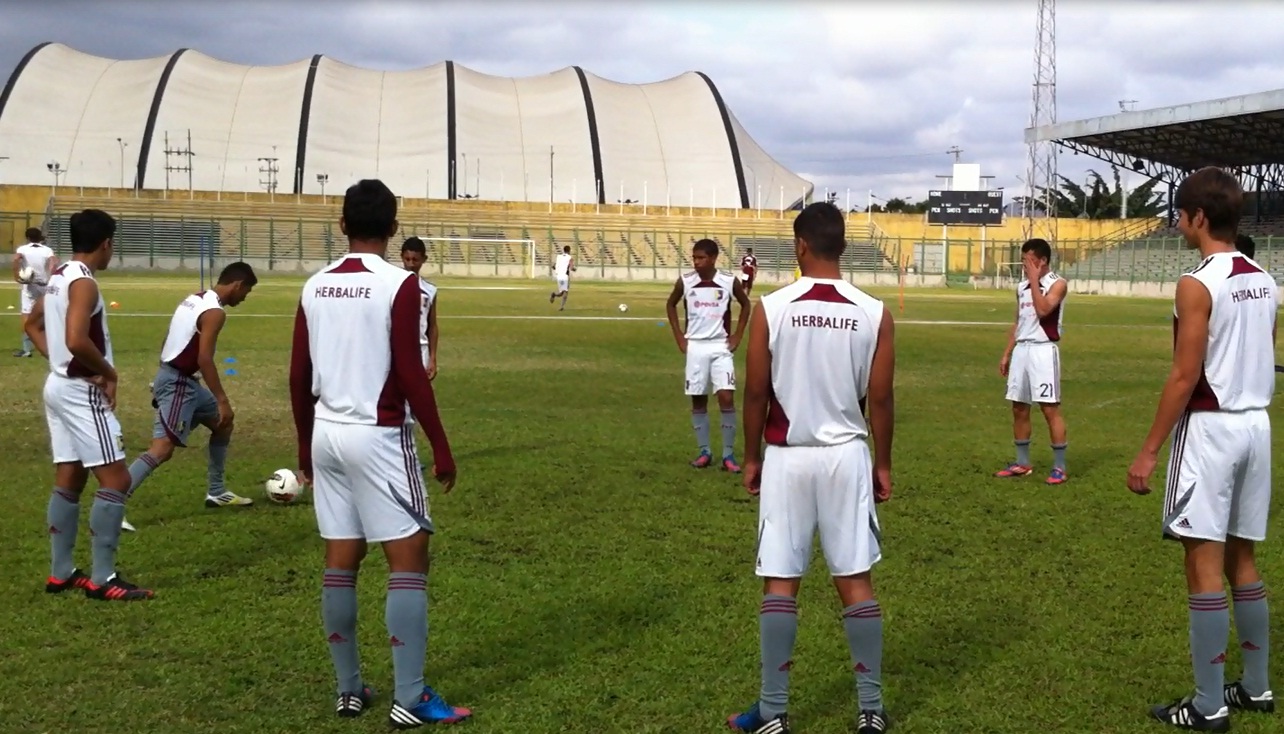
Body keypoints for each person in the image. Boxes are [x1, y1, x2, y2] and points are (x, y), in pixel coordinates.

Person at [289, 179, 469, 728]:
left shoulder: (314, 284)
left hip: (327, 434)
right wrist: (440, 445)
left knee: (341, 560)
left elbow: (298, 375)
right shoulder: (401, 283)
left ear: (341, 224)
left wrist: (304, 447)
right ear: (394, 229)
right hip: (379, 434)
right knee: (409, 558)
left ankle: (348, 689)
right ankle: (410, 698)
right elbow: (411, 372)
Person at [731, 202, 895, 734]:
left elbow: (755, 391)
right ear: (842, 246)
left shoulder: (772, 307)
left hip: (788, 455)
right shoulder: (874, 312)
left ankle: (774, 713)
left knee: (781, 581)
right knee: (855, 578)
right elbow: (883, 399)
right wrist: (884, 463)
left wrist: (751, 455)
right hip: (848, 455)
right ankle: (871, 710)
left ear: (801, 246)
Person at [1128, 166, 1276, 731]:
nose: (1179, 224)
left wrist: (1147, 450)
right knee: (1244, 558)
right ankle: (1256, 688)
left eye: (1180, 215)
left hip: (1211, 431)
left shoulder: (1197, 282)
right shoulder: (1264, 276)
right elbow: (1265, 348)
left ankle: (1210, 702)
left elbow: (1184, 375)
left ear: (1198, 218)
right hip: (1256, 427)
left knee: (1203, 563)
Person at [24, 209, 153, 601]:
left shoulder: (58, 275)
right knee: (116, 481)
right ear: (107, 243)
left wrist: (56, 361)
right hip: (81, 392)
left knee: (70, 477)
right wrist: (108, 374)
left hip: (58, 385)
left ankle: (61, 572)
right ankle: (103, 579)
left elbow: (31, 326)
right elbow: (78, 339)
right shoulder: (83, 283)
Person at [119, 262, 259, 521]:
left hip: (181, 380)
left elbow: (168, 336)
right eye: (246, 292)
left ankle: (216, 492)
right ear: (238, 285)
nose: (244, 298)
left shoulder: (195, 299)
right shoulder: (216, 312)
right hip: (179, 384)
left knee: (222, 424)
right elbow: (205, 358)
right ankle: (114, 505)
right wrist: (222, 399)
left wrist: (164, 370)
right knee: (161, 449)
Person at [665, 238, 752, 472]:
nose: (696, 262)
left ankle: (728, 455)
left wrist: (737, 336)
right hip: (695, 347)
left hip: (720, 347)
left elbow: (746, 305)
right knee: (698, 399)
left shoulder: (727, 281)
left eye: (701, 257)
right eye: (694, 257)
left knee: (726, 397)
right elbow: (670, 305)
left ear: (713, 258)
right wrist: (680, 338)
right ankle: (704, 451)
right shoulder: (686, 282)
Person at [994, 238, 1070, 485]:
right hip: (1022, 351)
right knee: (1018, 407)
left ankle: (1059, 467)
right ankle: (1022, 462)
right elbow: (1019, 321)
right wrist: (1007, 352)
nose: (1025, 265)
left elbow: (1043, 310)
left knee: (1049, 408)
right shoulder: (1021, 287)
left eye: (1029, 260)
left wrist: (1036, 281)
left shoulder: (1057, 284)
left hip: (1043, 352)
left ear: (1043, 260)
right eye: (1024, 259)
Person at [13, 226, 59, 358]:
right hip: (44, 286)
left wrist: (16, 276)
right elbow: (53, 262)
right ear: (40, 238)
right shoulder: (47, 250)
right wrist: (51, 276)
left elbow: (16, 259)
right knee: (47, 316)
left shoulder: (22, 249)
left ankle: (26, 349)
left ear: (27, 238)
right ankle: (51, 346)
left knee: (26, 316)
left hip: (29, 286)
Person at [399, 237, 439, 380]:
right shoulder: (392, 285)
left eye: (415, 260)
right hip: (397, 348)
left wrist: (432, 358)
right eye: (407, 259)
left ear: (424, 259)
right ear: (402, 257)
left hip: (421, 349)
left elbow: (432, 326)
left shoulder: (430, 290)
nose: (410, 264)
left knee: (418, 398)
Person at [549, 245, 575, 310]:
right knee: (565, 292)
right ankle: (561, 307)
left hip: (559, 276)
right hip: (565, 276)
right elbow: (571, 268)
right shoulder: (570, 258)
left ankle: (554, 294)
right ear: (569, 251)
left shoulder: (559, 257)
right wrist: (575, 269)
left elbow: (553, 266)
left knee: (561, 293)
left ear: (564, 250)